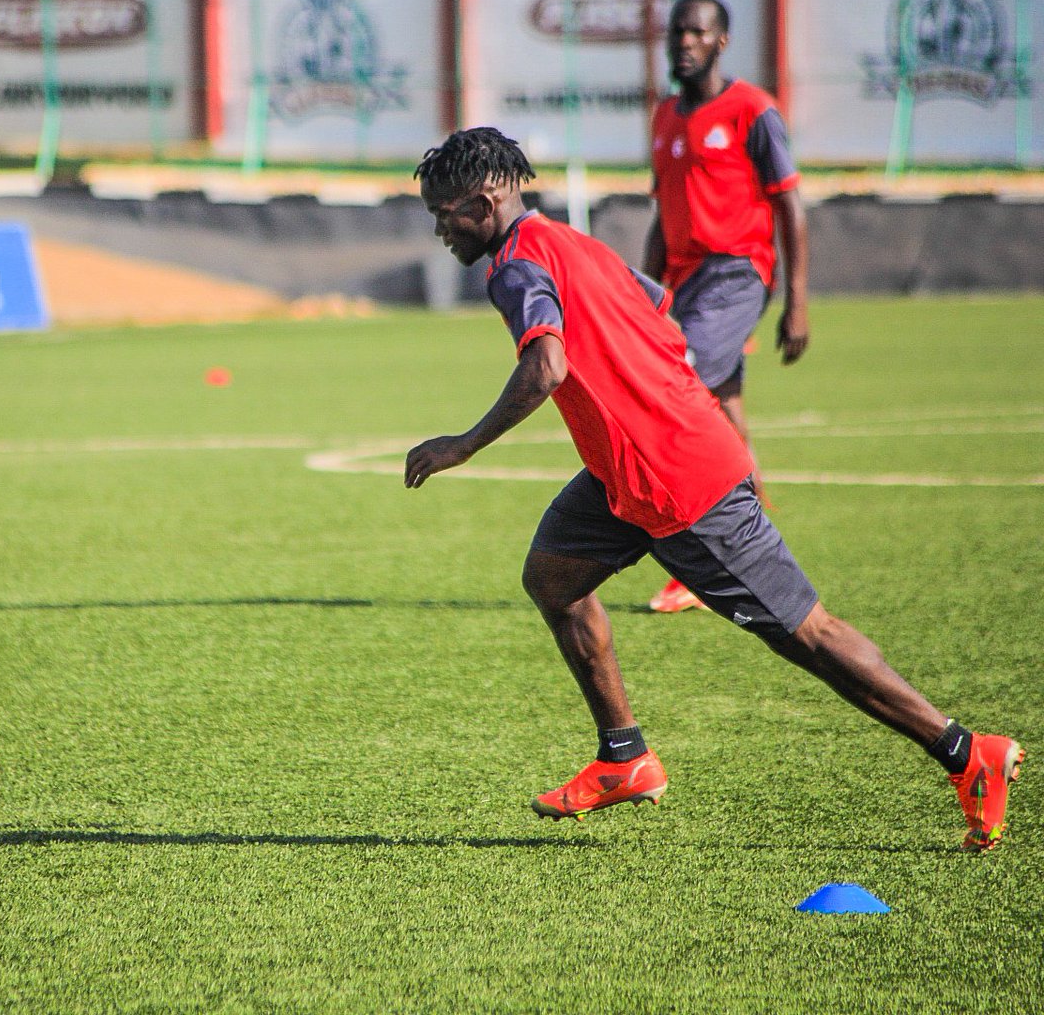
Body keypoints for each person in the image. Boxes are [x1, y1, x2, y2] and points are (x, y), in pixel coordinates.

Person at [404, 125, 1023, 852]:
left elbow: (546, 367)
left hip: (675, 480)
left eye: (443, 214)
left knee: (809, 637)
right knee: (554, 577)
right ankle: (625, 757)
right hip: (626, 472)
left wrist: (463, 444)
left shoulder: (513, 267)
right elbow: (657, 306)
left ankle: (965, 752)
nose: (439, 229)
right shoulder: (575, 242)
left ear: (482, 202)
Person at [644, 0, 809, 614]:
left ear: (721, 41)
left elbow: (791, 206)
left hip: (738, 274)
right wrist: (647, 291)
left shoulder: (751, 111)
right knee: (724, 406)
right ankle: (756, 542)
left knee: (677, 392)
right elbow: (664, 213)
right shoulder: (665, 116)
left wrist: (797, 303)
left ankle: (700, 562)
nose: (682, 42)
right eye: (676, 32)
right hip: (685, 284)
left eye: (696, 32)